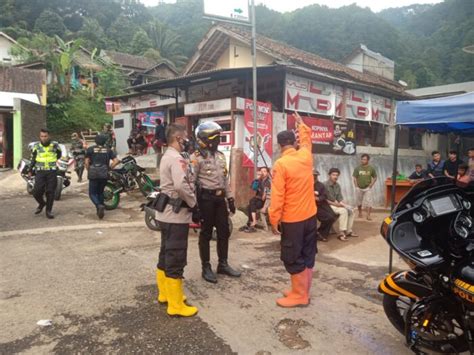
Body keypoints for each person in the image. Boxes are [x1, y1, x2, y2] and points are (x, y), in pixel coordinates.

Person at [269, 112, 317, 308]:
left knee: (292, 256)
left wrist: (274, 220)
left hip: (292, 219)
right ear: (293, 142)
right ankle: (303, 290)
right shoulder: (305, 156)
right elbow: (306, 140)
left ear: (280, 145)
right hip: (310, 216)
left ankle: (299, 295)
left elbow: (278, 195)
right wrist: (301, 124)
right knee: (308, 253)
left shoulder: (281, 164)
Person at [155, 123, 199, 317]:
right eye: (186, 137)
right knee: (176, 256)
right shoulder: (175, 158)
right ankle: (175, 305)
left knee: (165, 253)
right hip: (176, 215)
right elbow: (181, 186)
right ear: (178, 138)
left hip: (164, 214)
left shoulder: (167, 155)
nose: (188, 140)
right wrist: (193, 203)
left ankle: (165, 294)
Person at [192, 121, 241, 283]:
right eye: (216, 138)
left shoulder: (220, 156)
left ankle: (223, 264)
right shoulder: (196, 158)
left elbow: (224, 179)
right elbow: (190, 183)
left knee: (224, 231)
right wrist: (194, 207)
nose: (218, 141)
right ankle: (206, 267)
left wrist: (230, 198)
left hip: (220, 200)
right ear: (205, 140)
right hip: (205, 200)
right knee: (206, 233)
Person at [85, 134, 120, 219]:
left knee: (92, 193)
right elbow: (116, 160)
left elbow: (86, 162)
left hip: (93, 173)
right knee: (100, 192)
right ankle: (100, 210)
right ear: (104, 141)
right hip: (104, 173)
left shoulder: (90, 149)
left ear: (95, 141)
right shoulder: (108, 150)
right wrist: (109, 167)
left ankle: (98, 205)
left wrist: (89, 170)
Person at [30, 129, 62, 219]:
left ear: (49, 136)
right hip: (40, 171)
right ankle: (42, 203)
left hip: (51, 171)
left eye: (45, 136)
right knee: (36, 191)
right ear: (40, 136)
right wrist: (30, 169)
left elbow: (59, 154)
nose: (43, 138)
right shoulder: (36, 146)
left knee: (50, 192)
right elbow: (33, 158)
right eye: (42, 136)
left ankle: (49, 211)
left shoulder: (55, 145)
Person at [325, 168, 358, 242]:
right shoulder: (324, 185)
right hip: (327, 205)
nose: (335, 177)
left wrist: (347, 206)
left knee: (351, 211)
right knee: (343, 211)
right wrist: (338, 205)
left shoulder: (337, 185)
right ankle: (341, 233)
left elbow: (340, 199)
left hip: (335, 204)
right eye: (333, 175)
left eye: (337, 175)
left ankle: (348, 231)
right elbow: (325, 200)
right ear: (329, 175)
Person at [313, 170, 338, 242]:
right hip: (313, 206)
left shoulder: (320, 185)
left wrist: (319, 198)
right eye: (313, 175)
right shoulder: (306, 184)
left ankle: (320, 232)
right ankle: (322, 234)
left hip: (322, 203)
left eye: (316, 175)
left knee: (333, 216)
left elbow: (325, 195)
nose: (314, 177)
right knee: (328, 218)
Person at [245, 167, 271, 232]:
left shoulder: (268, 182)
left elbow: (264, 197)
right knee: (249, 206)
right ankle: (252, 223)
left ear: (267, 173)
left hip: (265, 201)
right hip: (258, 200)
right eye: (261, 171)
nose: (262, 173)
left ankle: (253, 222)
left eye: (264, 171)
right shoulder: (259, 180)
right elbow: (253, 188)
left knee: (252, 202)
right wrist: (256, 180)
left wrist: (265, 206)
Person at [353, 154, 377, 220]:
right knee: (359, 201)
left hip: (367, 188)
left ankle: (368, 215)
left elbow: (375, 177)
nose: (363, 160)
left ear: (368, 160)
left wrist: (371, 184)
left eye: (364, 159)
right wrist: (356, 186)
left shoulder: (371, 168)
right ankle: (360, 212)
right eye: (362, 159)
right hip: (359, 188)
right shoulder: (357, 168)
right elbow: (354, 177)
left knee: (369, 202)